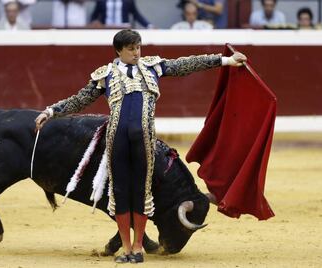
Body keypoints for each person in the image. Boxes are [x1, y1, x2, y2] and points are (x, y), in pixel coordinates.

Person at [34, 29, 246, 263]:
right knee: (120, 193)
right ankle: (126, 249)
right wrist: (51, 111)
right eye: (131, 49)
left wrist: (225, 61)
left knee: (142, 194)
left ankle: (138, 248)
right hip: (117, 141)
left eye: (138, 48)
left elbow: (186, 64)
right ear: (119, 51)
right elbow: (80, 99)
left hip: (144, 141)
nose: (136, 53)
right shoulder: (105, 75)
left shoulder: (153, 67)